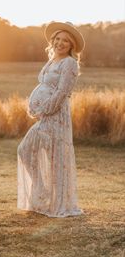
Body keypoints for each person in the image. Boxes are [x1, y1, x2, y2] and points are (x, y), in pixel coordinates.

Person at [17, 21, 85, 218]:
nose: (60, 43)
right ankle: (42, 191)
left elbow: (62, 92)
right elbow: (44, 87)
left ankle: (55, 200)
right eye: (57, 39)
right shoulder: (52, 60)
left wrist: (44, 110)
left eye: (65, 41)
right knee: (27, 150)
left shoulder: (70, 63)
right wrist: (34, 107)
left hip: (56, 116)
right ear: (52, 41)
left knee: (55, 157)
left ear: (71, 45)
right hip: (45, 116)